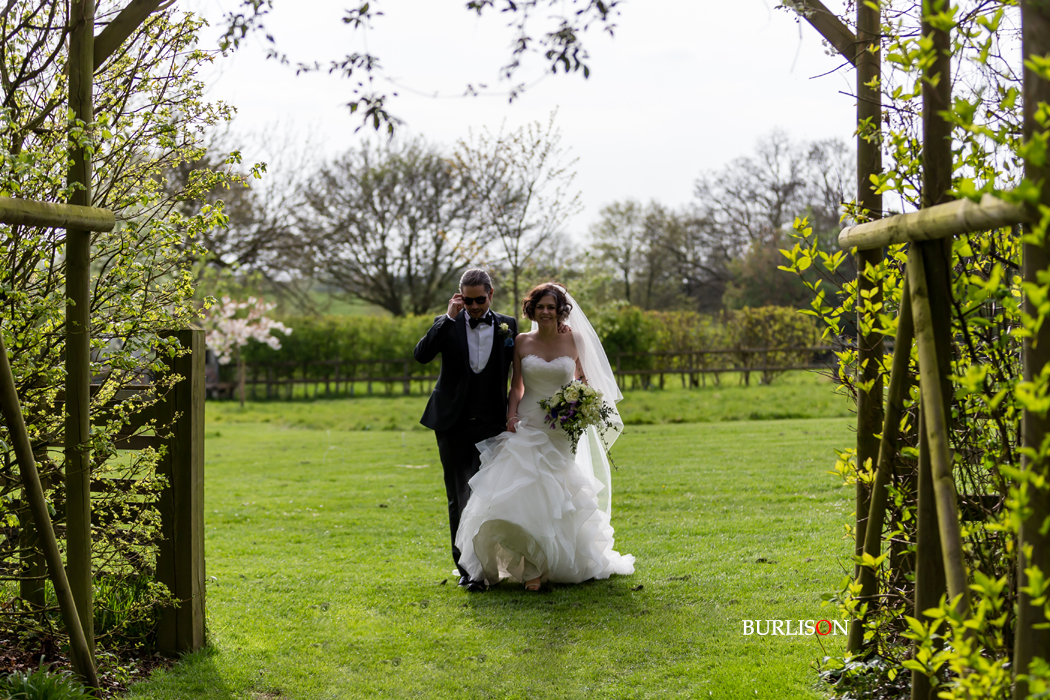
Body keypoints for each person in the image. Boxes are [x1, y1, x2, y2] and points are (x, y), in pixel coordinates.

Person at [455, 283, 635, 591]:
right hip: (529, 423)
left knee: (557, 496)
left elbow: (585, 380)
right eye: (541, 307)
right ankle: (531, 569)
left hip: (561, 429)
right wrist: (511, 416)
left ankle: (552, 562)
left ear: (561, 310)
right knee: (521, 491)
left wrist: (581, 405)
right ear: (532, 310)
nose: (546, 312)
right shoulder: (522, 341)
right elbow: (516, 386)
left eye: (552, 307)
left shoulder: (574, 340)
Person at [413, 269, 518, 593]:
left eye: (479, 300)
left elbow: (522, 365)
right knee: (459, 495)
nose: (473, 306)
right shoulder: (447, 323)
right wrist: (447, 317)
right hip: (452, 423)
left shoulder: (508, 325)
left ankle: (493, 564)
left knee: (492, 496)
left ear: (491, 294)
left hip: (492, 423)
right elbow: (422, 355)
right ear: (459, 296)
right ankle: (467, 568)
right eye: (467, 300)